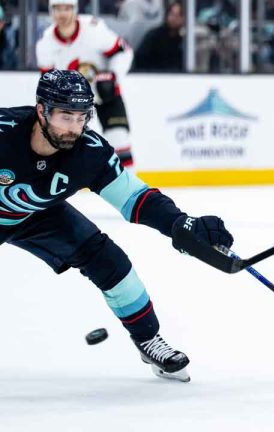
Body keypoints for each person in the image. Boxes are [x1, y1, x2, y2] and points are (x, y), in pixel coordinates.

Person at [0, 70, 235, 382]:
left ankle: (148, 339)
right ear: (41, 110)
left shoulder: (89, 151)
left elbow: (135, 198)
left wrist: (180, 223)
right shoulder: (4, 130)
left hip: (38, 214)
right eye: (65, 116)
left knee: (108, 260)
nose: (74, 128)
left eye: (82, 117)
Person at [36, 0, 136, 169]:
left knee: (119, 140)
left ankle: (133, 189)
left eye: (66, 8)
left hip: (105, 95)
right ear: (51, 12)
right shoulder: (45, 44)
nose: (62, 14)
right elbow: (47, 84)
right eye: (57, 9)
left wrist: (113, 76)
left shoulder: (93, 29)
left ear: (74, 10)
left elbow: (124, 51)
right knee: (61, 143)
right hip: (71, 104)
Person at [133, 1, 185, 72]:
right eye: (172, 14)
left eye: (178, 15)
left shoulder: (183, 41)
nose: (174, 19)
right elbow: (140, 58)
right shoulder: (154, 36)